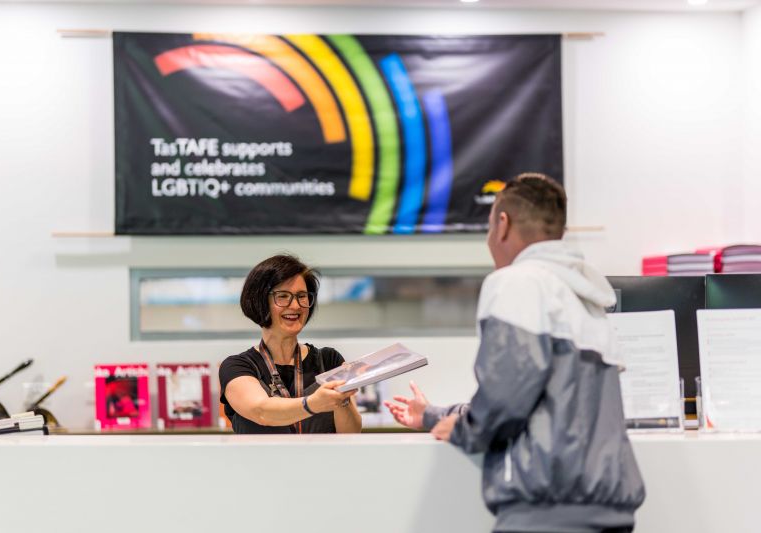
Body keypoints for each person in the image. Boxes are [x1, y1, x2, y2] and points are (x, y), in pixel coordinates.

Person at [385, 174, 645, 533]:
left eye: (489, 227)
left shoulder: (518, 282)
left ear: (502, 224)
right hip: (609, 508)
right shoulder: (586, 298)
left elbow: (506, 400)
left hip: (546, 510)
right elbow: (546, 402)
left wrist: (464, 432)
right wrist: (431, 414)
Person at [219, 254, 362, 434]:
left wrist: (343, 399)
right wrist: (313, 404)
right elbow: (261, 411)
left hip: (322, 462)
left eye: (301, 296)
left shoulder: (328, 360)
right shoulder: (238, 367)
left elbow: (351, 433)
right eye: (283, 296)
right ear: (260, 301)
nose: (295, 306)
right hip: (260, 463)